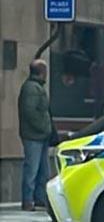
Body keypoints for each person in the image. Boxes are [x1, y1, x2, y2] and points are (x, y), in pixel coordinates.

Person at [18, 59, 54, 211]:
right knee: (32, 169)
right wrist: (44, 128)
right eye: (45, 71)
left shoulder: (36, 87)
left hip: (40, 135)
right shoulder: (31, 89)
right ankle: (28, 200)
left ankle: (39, 198)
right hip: (34, 136)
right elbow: (30, 112)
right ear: (41, 72)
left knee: (43, 170)